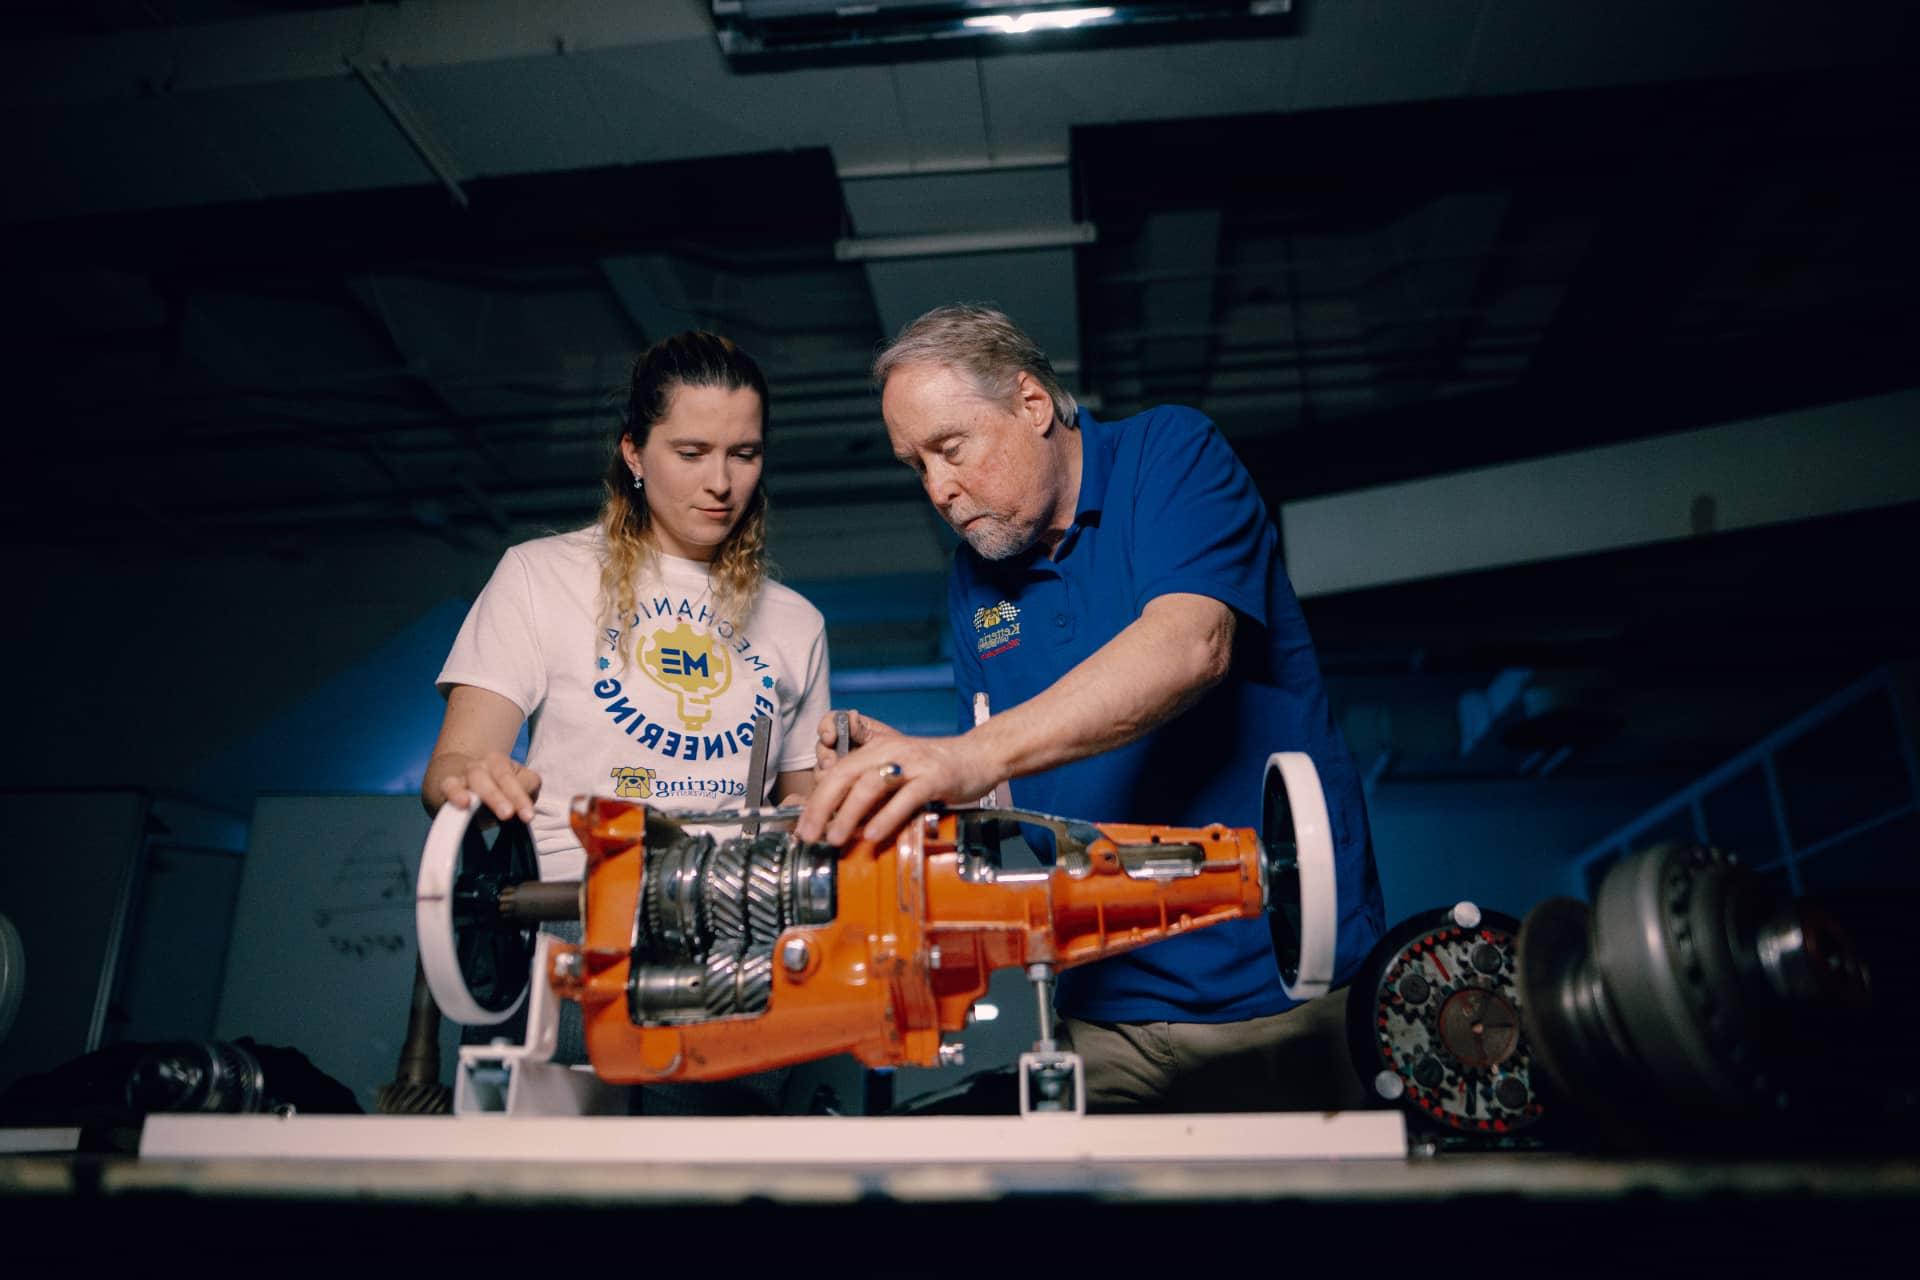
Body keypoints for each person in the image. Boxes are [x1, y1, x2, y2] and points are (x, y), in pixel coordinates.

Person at [797, 304, 1384, 1113]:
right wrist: (919, 768)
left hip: (1278, 994)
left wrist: (967, 756)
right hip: (1100, 1018)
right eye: (916, 466)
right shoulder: (976, 580)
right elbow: (1015, 795)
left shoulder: (1169, 454)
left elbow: (1190, 646)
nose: (937, 488)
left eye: (950, 448)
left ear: (1032, 405)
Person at [422, 330, 831, 1113]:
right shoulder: (540, 576)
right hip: (563, 952)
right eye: (691, 451)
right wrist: (476, 779)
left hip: (735, 965)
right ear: (634, 455)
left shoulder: (796, 624)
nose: (721, 482)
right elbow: (451, 769)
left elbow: (804, 817)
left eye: (744, 454)